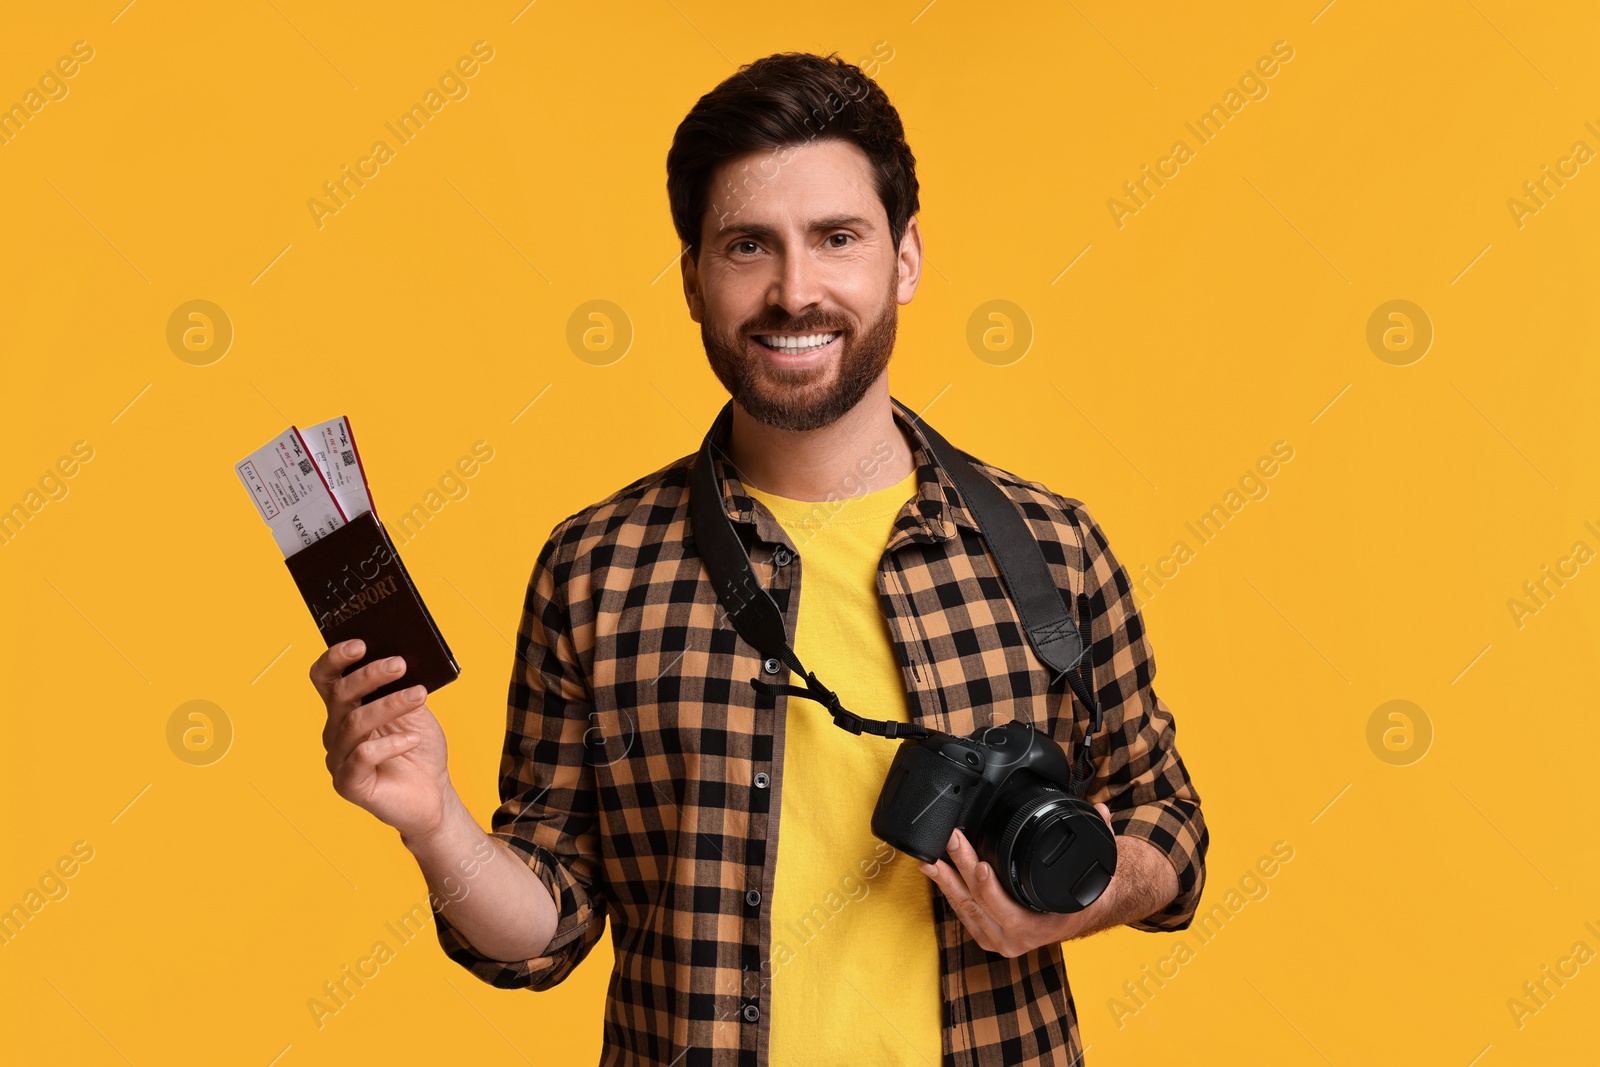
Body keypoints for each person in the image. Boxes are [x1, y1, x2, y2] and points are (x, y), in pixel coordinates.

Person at [308, 50, 1207, 1066]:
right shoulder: (594, 568)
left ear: (904, 257)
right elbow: (543, 928)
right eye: (747, 246)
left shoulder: (1051, 546)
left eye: (837, 238)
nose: (794, 291)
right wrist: (433, 823)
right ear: (692, 276)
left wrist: (1076, 897)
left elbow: (1169, 826)